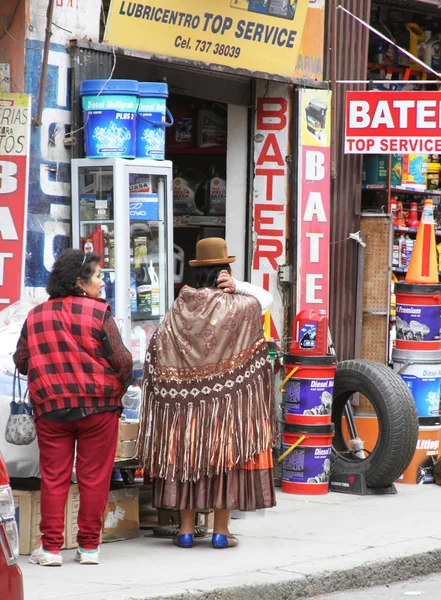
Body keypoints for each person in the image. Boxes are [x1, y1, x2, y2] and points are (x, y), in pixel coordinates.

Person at [137, 238, 276, 549]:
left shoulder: (179, 306)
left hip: (184, 408)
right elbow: (266, 299)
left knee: (189, 462)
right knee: (224, 464)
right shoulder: (239, 306)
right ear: (224, 271)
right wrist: (237, 285)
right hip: (226, 406)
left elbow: (158, 345)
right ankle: (220, 532)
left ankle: (186, 531)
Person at [13, 249, 133, 567]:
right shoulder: (98, 312)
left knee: (54, 477)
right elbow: (122, 359)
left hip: (51, 408)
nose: (102, 282)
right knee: (94, 477)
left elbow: (21, 361)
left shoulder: (35, 315)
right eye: (96, 276)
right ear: (80, 283)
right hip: (99, 407)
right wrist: (119, 385)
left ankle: (51, 549)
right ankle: (89, 548)